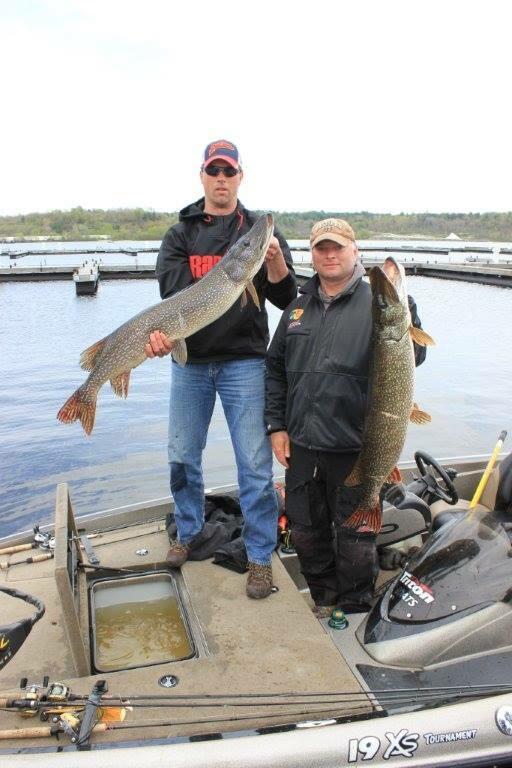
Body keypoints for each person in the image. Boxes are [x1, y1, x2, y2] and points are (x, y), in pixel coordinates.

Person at [146, 139, 297, 599]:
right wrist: (158, 336)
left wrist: (272, 264)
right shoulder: (180, 234)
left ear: (239, 177)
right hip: (190, 365)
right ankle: (188, 533)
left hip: (245, 364)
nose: (221, 179)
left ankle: (258, 557)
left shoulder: (259, 232)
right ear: (203, 177)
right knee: (182, 455)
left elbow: (287, 300)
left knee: (253, 465)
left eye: (228, 171)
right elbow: (173, 301)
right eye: (214, 171)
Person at [264, 218, 426, 617]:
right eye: (322, 248)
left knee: (356, 537)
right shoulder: (296, 309)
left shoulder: (378, 302)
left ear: (355, 251)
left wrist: (409, 321)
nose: (330, 254)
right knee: (306, 532)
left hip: (357, 445)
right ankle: (324, 598)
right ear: (312, 255)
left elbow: (416, 357)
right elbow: (274, 370)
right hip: (301, 446)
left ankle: (355, 607)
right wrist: (276, 426)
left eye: (338, 246)